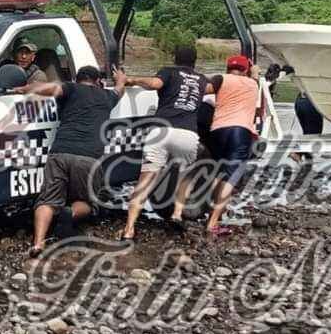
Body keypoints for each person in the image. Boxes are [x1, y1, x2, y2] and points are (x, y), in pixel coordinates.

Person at [17, 65, 127, 256]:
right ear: (98, 81)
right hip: (88, 157)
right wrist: (120, 78)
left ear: (77, 79)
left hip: (60, 152)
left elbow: (49, 88)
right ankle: (70, 213)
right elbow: (119, 89)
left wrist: (24, 89)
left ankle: (38, 243)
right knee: (90, 202)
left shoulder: (71, 88)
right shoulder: (107, 97)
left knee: (47, 200)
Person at [121, 45, 208, 239]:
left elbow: (154, 84)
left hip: (161, 132)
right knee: (185, 178)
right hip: (187, 135)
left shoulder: (169, 72)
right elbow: (214, 89)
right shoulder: (202, 80)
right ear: (195, 61)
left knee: (144, 182)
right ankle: (177, 213)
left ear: (175, 58)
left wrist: (131, 79)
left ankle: (129, 229)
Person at [201, 54, 259, 238]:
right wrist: (254, 70)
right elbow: (256, 76)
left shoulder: (221, 79)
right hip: (240, 131)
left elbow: (203, 90)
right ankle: (212, 223)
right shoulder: (253, 83)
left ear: (228, 68)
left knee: (220, 171)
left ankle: (206, 205)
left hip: (217, 130)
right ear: (245, 70)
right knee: (231, 177)